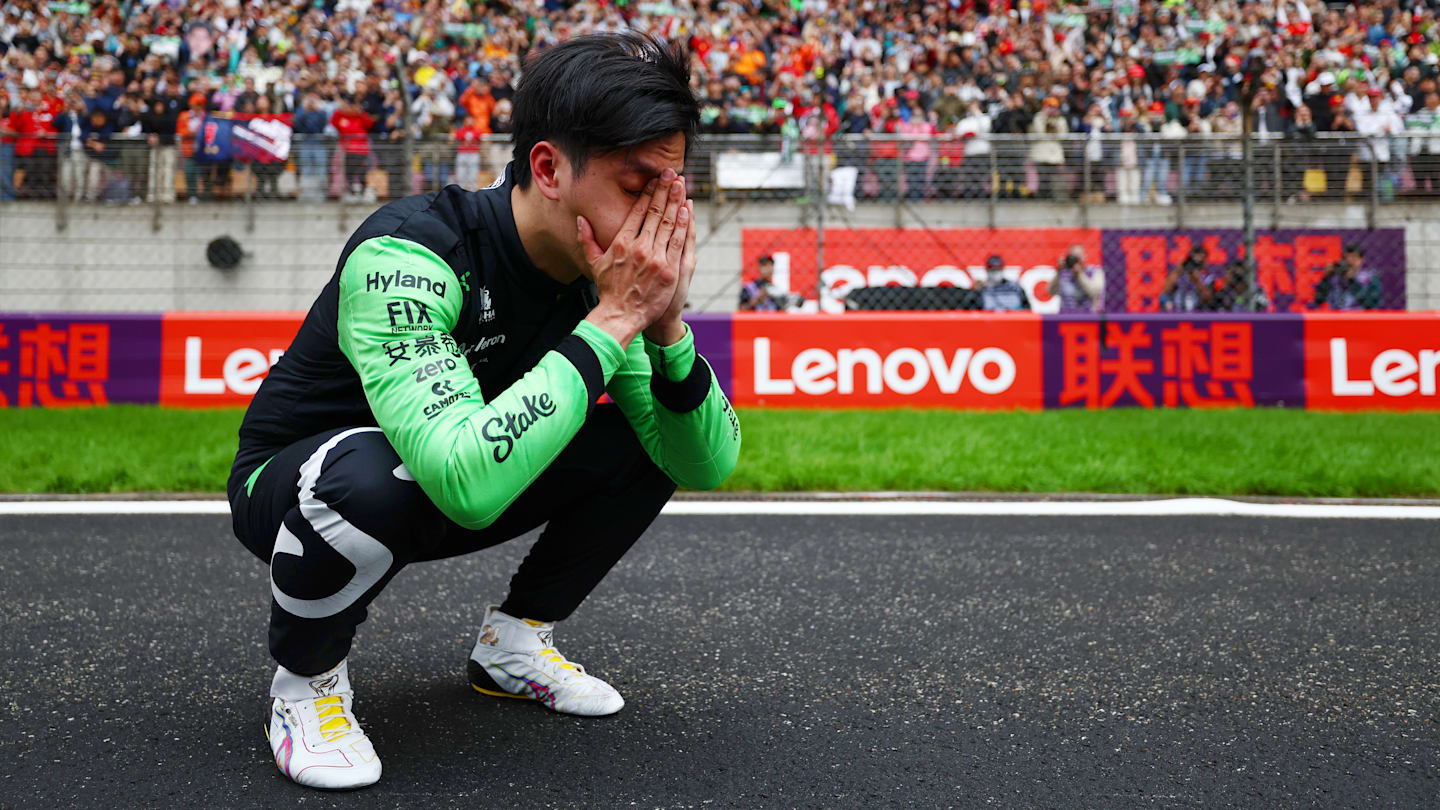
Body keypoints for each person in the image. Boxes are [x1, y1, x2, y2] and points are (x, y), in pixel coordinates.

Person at [226, 32, 741, 791]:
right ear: (547, 167)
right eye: (638, 187)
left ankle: (514, 645)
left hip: (457, 477)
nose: (655, 222)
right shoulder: (411, 250)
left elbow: (703, 462)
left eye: (671, 190)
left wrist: (661, 325)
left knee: (644, 435)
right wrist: (613, 319)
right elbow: (464, 481)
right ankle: (304, 685)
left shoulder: (602, 279)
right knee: (375, 474)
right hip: (306, 490)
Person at [1311, 243, 1383, 310]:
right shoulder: (1335, 277)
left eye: (1354, 258)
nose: (1350, 261)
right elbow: (1319, 299)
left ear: (1361, 259)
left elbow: (1371, 304)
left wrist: (1352, 281)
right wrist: (1325, 278)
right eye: (1346, 258)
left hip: (1360, 317)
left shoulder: (1369, 277)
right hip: (1337, 318)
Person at [1159, 245, 1215, 312]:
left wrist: (1197, 281)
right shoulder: (1179, 274)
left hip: (1199, 310)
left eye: (1200, 261)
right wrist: (1180, 269)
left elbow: (1208, 299)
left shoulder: (1208, 277)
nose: (1196, 264)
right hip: (1178, 309)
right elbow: (1164, 292)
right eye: (1194, 261)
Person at [1055, 245, 1105, 313]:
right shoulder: (1064, 273)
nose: (1076, 261)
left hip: (1088, 315)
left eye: (1078, 256)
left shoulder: (1095, 271)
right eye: (1074, 257)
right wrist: (1059, 272)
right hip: (1066, 316)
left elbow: (1095, 293)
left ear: (1085, 257)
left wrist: (1079, 274)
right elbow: (1051, 291)